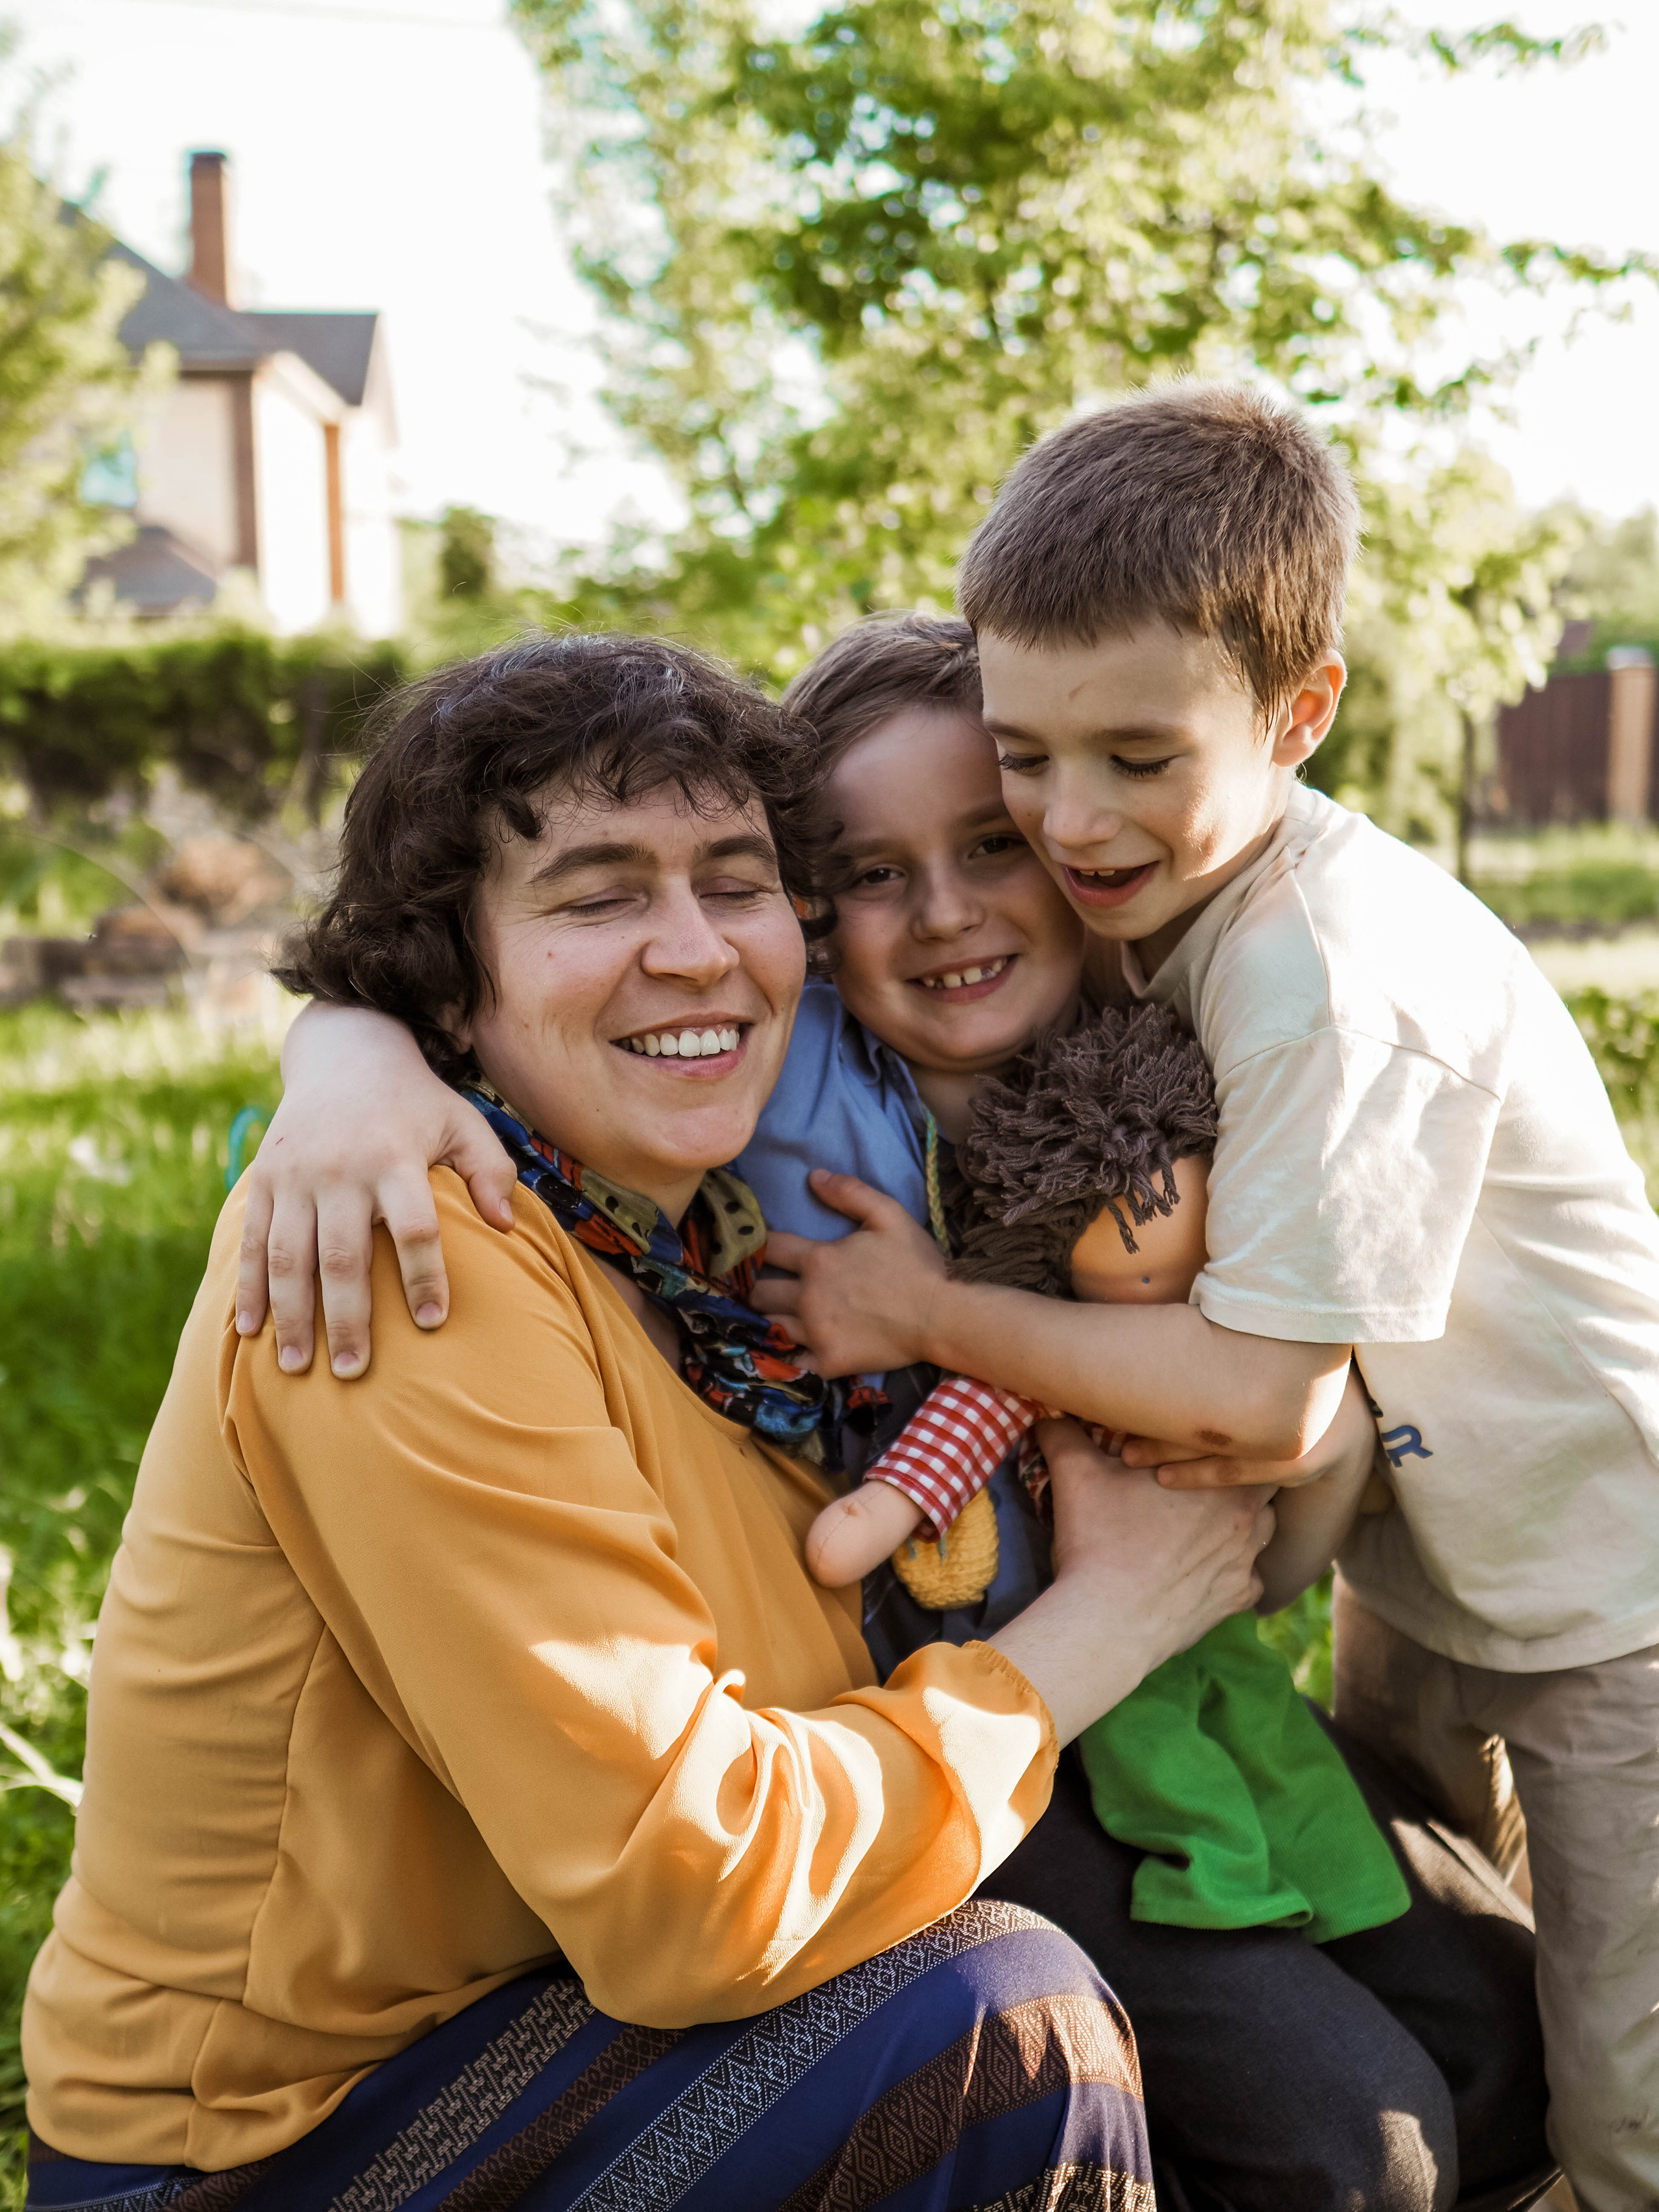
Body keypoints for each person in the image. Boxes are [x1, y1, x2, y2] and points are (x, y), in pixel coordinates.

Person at [238, 615, 1556, 2210]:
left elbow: (1272, 1466)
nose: (942, 914)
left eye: (992, 844)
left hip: (1153, 1676)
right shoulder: (742, 1087)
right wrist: (346, 1058)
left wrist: (1289, 1469)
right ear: (822, 908)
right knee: (1358, 2147)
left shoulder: (1166, 1045)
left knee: (1504, 2044)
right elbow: (464, 1007)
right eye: (870, 873)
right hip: (914, 1714)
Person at [24, 633, 1277, 2209]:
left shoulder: (697, 1246)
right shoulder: (409, 1255)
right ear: (446, 984)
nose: (693, 952)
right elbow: (696, 1896)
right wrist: (1108, 1621)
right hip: (266, 2146)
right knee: (990, 2031)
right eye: (597, 895)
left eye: (733, 884)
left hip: (543, 2026)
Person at [748, 386, 1659, 2212]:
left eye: (1135, 756)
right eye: (1027, 755)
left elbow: (1257, 1394)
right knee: (1481, 2004)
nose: (1070, 821)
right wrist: (348, 1053)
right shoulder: (1152, 905)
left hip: (1598, 1584)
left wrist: (925, 1315)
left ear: (1300, 713)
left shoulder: (1323, 972)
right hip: (1415, 1560)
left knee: (1621, 2085)